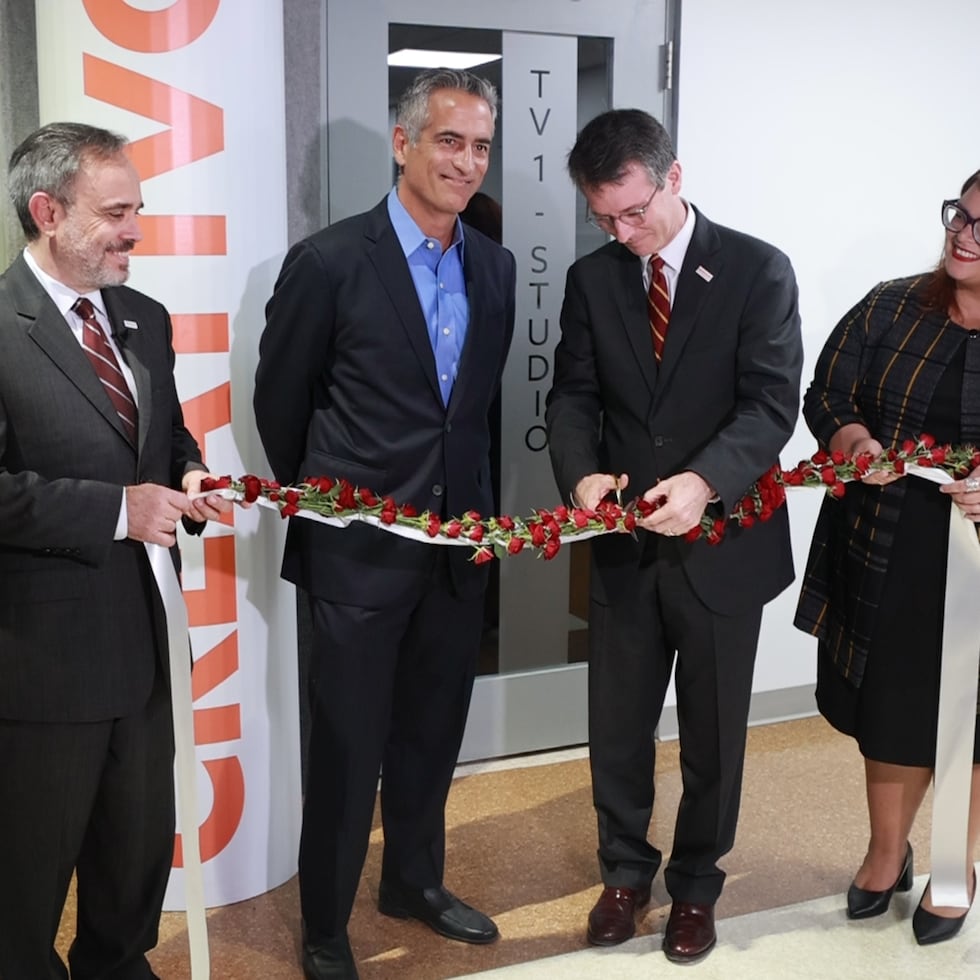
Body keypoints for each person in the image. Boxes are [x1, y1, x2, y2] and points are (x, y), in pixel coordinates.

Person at [254, 68, 515, 980]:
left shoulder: (494, 263)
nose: (467, 162)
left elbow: (473, 415)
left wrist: (476, 521)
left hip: (455, 554)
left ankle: (414, 882)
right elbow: (280, 406)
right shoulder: (328, 261)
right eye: (450, 141)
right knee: (345, 750)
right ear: (403, 144)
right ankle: (325, 924)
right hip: (355, 559)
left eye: (481, 145)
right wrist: (337, 511)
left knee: (430, 733)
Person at [545, 108, 802, 964]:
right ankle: (624, 872)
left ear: (674, 178)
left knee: (714, 735)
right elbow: (573, 397)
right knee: (616, 728)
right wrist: (579, 472)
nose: (623, 232)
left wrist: (703, 483)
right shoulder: (594, 279)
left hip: (722, 544)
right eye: (604, 217)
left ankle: (696, 888)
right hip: (625, 546)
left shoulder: (757, 270)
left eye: (634, 211)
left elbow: (770, 403)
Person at [0, 122, 232, 980]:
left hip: (148, 650)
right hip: (42, 668)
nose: (138, 229)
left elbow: (165, 439)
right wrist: (114, 511)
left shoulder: (144, 316)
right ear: (47, 211)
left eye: (139, 208)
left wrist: (195, 474)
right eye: (118, 211)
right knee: (23, 890)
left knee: (133, 864)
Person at [794, 168, 980, 945]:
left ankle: (956, 864)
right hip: (891, 543)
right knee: (893, 705)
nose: (962, 235)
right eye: (960, 216)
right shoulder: (891, 305)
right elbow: (828, 393)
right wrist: (853, 441)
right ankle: (885, 851)